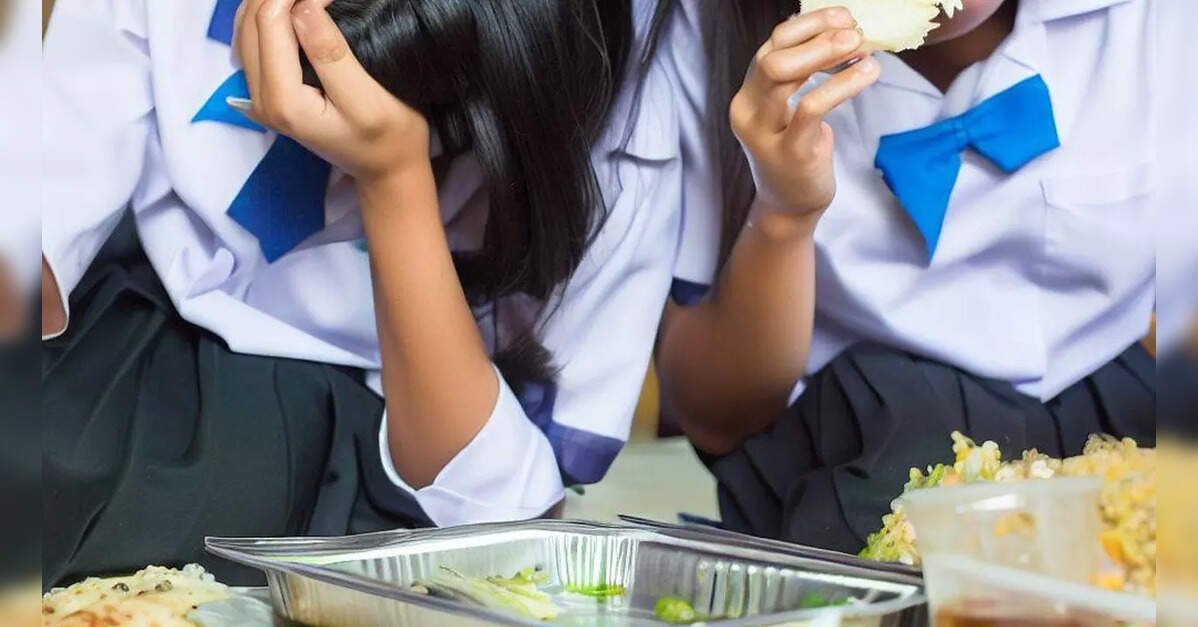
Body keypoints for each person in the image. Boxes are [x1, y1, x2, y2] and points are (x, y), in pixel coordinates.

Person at [41, 0, 679, 586]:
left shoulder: (617, 111)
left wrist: (392, 177)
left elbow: (508, 524)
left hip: (397, 446)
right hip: (139, 361)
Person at [656, 0, 1169, 553]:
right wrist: (784, 215)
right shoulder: (706, 30)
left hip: (1113, 420)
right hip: (845, 452)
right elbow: (716, 418)